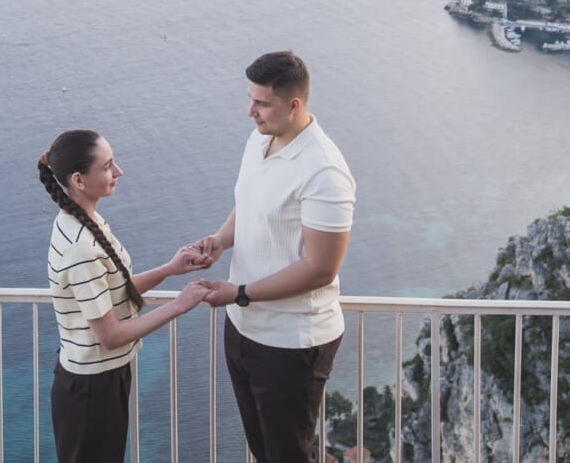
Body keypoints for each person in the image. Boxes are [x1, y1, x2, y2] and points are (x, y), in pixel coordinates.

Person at [193, 51, 356, 463]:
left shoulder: (324, 171)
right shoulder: (259, 139)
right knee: (263, 450)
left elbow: (320, 269)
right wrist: (220, 239)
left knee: (288, 455)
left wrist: (239, 292)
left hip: (292, 341)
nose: (250, 111)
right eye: (250, 99)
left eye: (261, 103)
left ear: (294, 104)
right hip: (244, 327)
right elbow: (250, 202)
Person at [38, 129, 212, 463]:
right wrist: (179, 304)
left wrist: (169, 269)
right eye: (107, 166)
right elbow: (110, 336)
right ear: (78, 180)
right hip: (90, 389)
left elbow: (113, 289)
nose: (119, 171)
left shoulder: (84, 222)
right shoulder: (80, 247)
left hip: (101, 379)